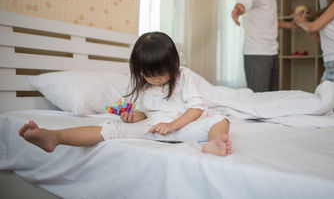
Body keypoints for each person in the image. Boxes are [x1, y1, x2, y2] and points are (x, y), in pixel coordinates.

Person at [19, 32, 232, 156]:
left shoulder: (183, 76)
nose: (156, 79)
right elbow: (142, 112)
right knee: (109, 128)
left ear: (173, 63)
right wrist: (133, 116)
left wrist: (173, 126)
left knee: (221, 120)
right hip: (153, 128)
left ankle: (212, 144)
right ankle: (55, 137)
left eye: (161, 73)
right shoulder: (140, 85)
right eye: (149, 75)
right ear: (140, 71)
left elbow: (196, 108)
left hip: (183, 126)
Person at [231, 0, 297, 92]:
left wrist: (290, 25)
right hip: (257, 54)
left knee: (271, 101)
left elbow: (268, 20)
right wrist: (239, 7)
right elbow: (246, 0)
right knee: (259, 103)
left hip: (271, 52)